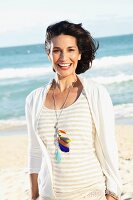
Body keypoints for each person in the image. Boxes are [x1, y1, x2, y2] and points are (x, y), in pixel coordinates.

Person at [25, 20, 122, 200]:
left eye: (70, 50)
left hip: (91, 194)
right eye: (56, 50)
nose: (63, 58)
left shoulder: (95, 93)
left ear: (79, 54)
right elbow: (34, 152)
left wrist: (113, 195)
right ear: (48, 54)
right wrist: (34, 196)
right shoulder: (33, 99)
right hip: (49, 196)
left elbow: (109, 146)